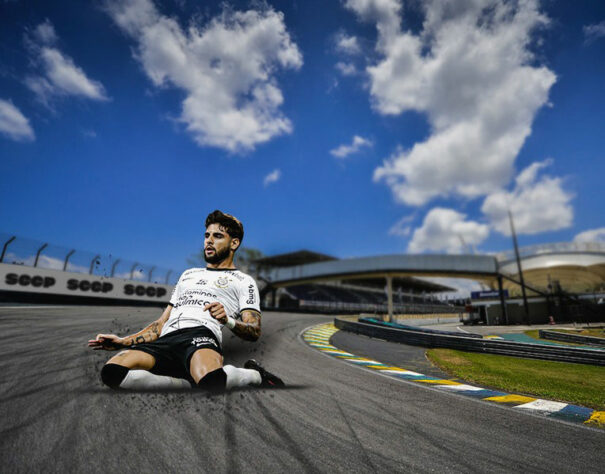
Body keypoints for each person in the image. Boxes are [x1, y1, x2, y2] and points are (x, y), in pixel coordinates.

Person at [88, 210, 284, 391]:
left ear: (234, 243)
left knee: (212, 381)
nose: (208, 241)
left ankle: (255, 374)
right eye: (207, 235)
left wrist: (227, 320)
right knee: (111, 373)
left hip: (200, 334)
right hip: (167, 339)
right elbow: (160, 324)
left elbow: (254, 330)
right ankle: (184, 382)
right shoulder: (188, 274)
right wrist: (123, 342)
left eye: (217, 236)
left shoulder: (244, 281)